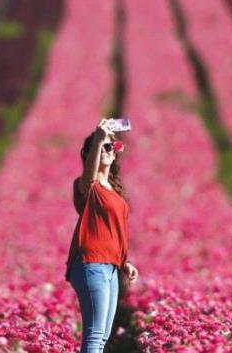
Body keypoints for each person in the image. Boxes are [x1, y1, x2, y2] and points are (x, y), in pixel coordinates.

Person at [65, 119, 139, 353]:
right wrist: (98, 139)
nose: (108, 150)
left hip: (111, 267)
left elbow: (112, 230)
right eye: (104, 147)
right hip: (91, 264)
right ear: (90, 154)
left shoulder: (113, 191)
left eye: (112, 147)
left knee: (103, 336)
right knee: (95, 336)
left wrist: (124, 261)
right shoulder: (88, 186)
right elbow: (89, 177)